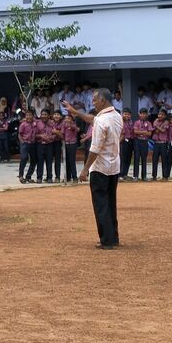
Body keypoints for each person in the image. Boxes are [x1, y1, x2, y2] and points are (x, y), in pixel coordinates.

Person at [63, 88, 123, 249]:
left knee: (100, 204)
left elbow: (95, 149)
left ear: (103, 100)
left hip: (100, 168)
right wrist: (76, 112)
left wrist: (84, 170)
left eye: (95, 100)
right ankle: (113, 237)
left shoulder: (101, 121)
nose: (93, 103)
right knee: (110, 203)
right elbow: (93, 119)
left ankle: (107, 240)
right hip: (114, 167)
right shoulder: (117, 116)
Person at [35, 108, 55, 184]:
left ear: (49, 115)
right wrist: (41, 136)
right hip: (40, 145)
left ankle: (49, 177)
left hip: (49, 145)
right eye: (42, 114)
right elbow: (35, 135)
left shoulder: (52, 123)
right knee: (40, 161)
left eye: (45, 114)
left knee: (49, 161)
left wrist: (50, 138)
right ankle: (39, 178)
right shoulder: (37, 123)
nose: (44, 116)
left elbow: (55, 134)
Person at [133, 108, 153, 182]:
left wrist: (141, 132)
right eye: (142, 113)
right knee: (136, 158)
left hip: (145, 142)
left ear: (147, 114)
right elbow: (135, 132)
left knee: (144, 159)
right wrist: (144, 132)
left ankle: (144, 176)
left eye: (145, 114)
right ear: (139, 114)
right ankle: (135, 176)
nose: (143, 115)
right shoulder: (136, 122)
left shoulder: (149, 123)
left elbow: (150, 133)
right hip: (137, 141)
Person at [17, 110, 37, 183]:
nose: (29, 117)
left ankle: (28, 176)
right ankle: (21, 175)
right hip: (25, 143)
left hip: (33, 143)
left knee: (34, 160)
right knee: (24, 158)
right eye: (27, 115)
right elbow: (19, 134)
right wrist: (22, 142)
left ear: (33, 116)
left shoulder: (35, 123)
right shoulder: (23, 124)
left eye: (30, 115)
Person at [152, 109, 171, 181]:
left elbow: (163, 130)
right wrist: (158, 128)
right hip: (156, 143)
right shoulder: (156, 121)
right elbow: (155, 131)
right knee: (155, 160)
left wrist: (157, 127)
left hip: (163, 143)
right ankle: (154, 176)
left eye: (162, 114)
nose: (160, 116)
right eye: (159, 114)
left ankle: (165, 176)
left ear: (165, 116)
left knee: (164, 160)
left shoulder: (166, 122)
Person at [61, 113, 79, 184]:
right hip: (66, 144)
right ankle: (68, 177)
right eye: (66, 118)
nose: (67, 120)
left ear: (72, 119)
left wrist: (71, 126)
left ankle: (74, 177)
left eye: (69, 118)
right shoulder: (64, 125)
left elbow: (77, 130)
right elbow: (62, 133)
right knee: (66, 161)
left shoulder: (74, 125)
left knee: (72, 161)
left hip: (72, 144)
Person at [119, 108, 135, 181]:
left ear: (130, 115)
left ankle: (125, 174)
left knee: (128, 158)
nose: (127, 116)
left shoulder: (131, 122)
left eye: (128, 114)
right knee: (122, 158)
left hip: (130, 141)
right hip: (123, 141)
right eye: (125, 114)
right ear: (122, 114)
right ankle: (120, 175)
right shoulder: (120, 122)